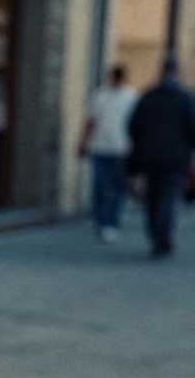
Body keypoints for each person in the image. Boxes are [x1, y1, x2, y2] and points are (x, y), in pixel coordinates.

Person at [128, 55, 195, 258]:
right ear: (177, 71)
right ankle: (162, 237)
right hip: (176, 158)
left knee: (153, 198)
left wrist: (142, 145)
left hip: (150, 156)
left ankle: (157, 236)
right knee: (168, 198)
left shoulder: (148, 97)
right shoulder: (185, 99)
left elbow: (133, 127)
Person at [78, 65, 137, 243]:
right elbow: (90, 120)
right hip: (100, 148)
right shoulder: (100, 95)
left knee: (117, 188)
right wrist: (83, 142)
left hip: (121, 149)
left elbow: (136, 125)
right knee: (100, 186)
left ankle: (112, 221)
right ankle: (101, 220)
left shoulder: (131, 97)